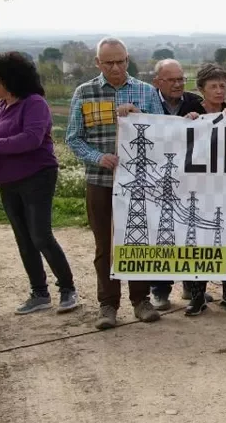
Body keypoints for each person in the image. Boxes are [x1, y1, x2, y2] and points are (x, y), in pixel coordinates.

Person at [65, 37, 165, 330]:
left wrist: (140, 117)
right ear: (98, 63)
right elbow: (73, 137)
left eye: (121, 61)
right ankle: (108, 305)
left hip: (140, 183)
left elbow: (163, 132)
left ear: (128, 59)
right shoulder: (85, 92)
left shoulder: (146, 92)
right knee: (104, 244)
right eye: (109, 62)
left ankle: (141, 300)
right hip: (100, 180)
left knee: (140, 241)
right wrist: (98, 157)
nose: (116, 67)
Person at [0, 52, 78, 315]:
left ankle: (67, 289)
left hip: (36, 176)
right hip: (8, 180)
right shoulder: (2, 106)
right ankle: (39, 293)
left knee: (40, 235)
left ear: (9, 79)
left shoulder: (35, 104)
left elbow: (31, 138)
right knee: (23, 238)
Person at [181, 63, 226, 316]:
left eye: (222, 86)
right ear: (201, 89)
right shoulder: (190, 113)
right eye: (213, 86)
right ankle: (197, 295)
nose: (219, 91)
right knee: (198, 240)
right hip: (196, 188)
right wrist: (187, 124)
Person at [148, 58, 205, 309]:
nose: (178, 84)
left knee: (190, 232)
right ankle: (160, 289)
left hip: (191, 180)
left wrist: (200, 120)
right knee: (162, 233)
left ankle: (191, 286)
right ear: (157, 82)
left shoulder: (194, 103)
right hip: (157, 179)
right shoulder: (147, 104)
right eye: (171, 80)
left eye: (181, 79)